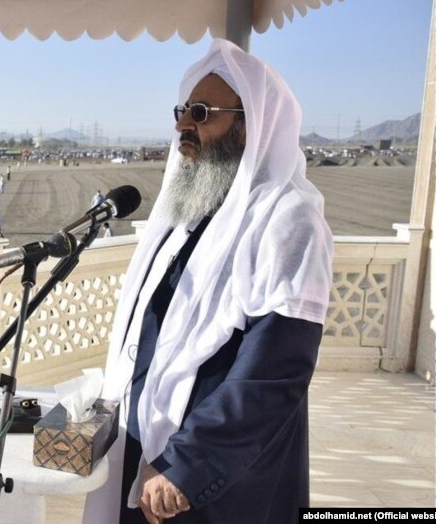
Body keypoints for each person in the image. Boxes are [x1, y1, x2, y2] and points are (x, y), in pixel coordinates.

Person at [83, 40, 332, 524]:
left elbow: (273, 371)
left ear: (249, 125)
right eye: (182, 110)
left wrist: (188, 464)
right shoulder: (187, 212)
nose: (183, 126)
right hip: (147, 445)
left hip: (216, 472)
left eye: (202, 112)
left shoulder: (288, 220)